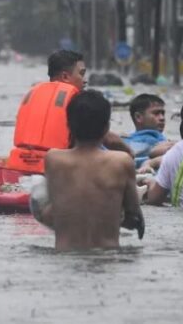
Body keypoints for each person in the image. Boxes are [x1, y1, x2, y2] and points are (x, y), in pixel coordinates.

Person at [38, 90, 144, 251]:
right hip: (109, 256)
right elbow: (134, 215)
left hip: (63, 258)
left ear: (68, 126)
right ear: (106, 127)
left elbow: (50, 213)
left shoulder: (53, 159)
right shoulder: (121, 162)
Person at [6, 49, 132, 174]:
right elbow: (108, 139)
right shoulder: (77, 101)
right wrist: (130, 154)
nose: (85, 80)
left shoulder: (33, 93)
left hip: (20, 165)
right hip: (58, 170)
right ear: (65, 76)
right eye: (81, 74)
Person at [124, 93, 174, 167]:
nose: (162, 118)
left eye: (162, 113)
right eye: (156, 113)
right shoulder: (151, 142)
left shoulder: (126, 140)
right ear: (138, 117)